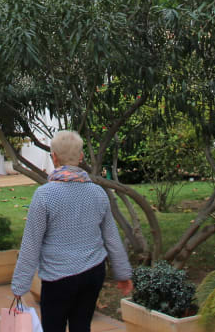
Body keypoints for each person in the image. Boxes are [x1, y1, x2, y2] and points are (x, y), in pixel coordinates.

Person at [11, 130, 133, 332]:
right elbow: (112, 237)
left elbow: (31, 243)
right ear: (81, 156)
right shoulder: (98, 193)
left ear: (54, 157)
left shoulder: (44, 195)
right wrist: (123, 273)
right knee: (82, 326)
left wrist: (19, 285)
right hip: (93, 274)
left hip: (57, 278)